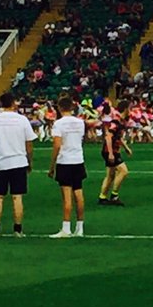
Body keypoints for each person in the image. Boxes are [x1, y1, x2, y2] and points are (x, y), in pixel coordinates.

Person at [0, 91, 34, 236]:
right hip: (18, 161)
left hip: (0, 162)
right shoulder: (22, 120)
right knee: (17, 196)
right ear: (12, 103)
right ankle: (18, 230)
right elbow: (29, 144)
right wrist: (29, 161)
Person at [48, 95, 88, 237]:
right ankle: (80, 227)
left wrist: (52, 165)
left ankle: (66, 227)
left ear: (59, 108)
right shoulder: (80, 122)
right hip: (78, 159)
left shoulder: (59, 124)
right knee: (79, 193)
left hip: (65, 161)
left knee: (66, 196)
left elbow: (57, 145)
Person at [98, 101, 133, 207]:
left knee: (110, 175)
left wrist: (126, 148)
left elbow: (118, 137)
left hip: (111, 150)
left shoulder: (120, 122)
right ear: (126, 109)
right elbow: (108, 136)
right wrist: (111, 153)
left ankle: (102, 197)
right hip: (111, 151)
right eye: (129, 108)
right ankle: (114, 196)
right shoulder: (116, 122)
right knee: (124, 171)